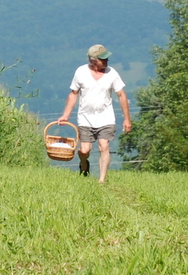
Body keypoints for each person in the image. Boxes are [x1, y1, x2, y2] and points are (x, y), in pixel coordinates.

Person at [55, 44, 132, 182]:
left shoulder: (112, 73)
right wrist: (66, 115)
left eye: (107, 58)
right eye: (103, 59)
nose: (107, 61)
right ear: (93, 60)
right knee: (84, 150)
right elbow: (74, 94)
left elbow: (121, 95)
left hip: (106, 118)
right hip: (85, 118)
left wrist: (127, 119)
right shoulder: (81, 72)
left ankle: (101, 180)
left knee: (104, 146)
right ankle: (84, 166)